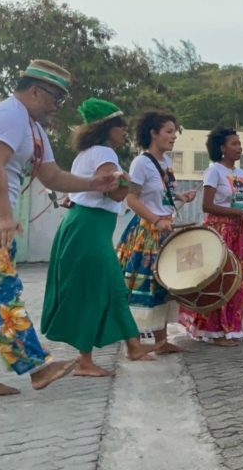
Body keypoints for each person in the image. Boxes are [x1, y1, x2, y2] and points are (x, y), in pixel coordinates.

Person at [0, 60, 121, 397]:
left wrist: (94, 183)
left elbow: (52, 177)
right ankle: (36, 367)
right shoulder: (9, 116)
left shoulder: (33, 130)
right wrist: (2, 215)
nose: (57, 107)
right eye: (55, 99)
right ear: (34, 91)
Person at [41, 98, 161, 376]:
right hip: (90, 227)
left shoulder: (86, 154)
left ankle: (133, 345)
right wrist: (127, 182)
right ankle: (84, 361)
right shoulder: (105, 155)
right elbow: (114, 192)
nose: (124, 132)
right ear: (107, 128)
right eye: (120, 126)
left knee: (114, 288)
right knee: (93, 290)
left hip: (85, 225)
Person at [116, 111, 197, 354]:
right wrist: (155, 219)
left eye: (175, 132)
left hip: (165, 229)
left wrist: (180, 197)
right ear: (153, 133)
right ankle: (135, 345)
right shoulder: (141, 163)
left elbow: (160, 196)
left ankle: (161, 342)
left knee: (163, 285)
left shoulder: (167, 163)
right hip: (147, 231)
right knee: (142, 286)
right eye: (169, 131)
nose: (174, 137)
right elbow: (131, 198)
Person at [178, 126, 243, 346]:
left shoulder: (241, 174)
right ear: (222, 148)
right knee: (217, 280)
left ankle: (231, 328)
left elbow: (239, 203)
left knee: (236, 279)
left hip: (237, 230)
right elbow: (207, 206)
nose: (239, 147)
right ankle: (214, 331)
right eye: (234, 144)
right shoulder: (214, 171)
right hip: (219, 230)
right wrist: (239, 213)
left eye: (240, 143)